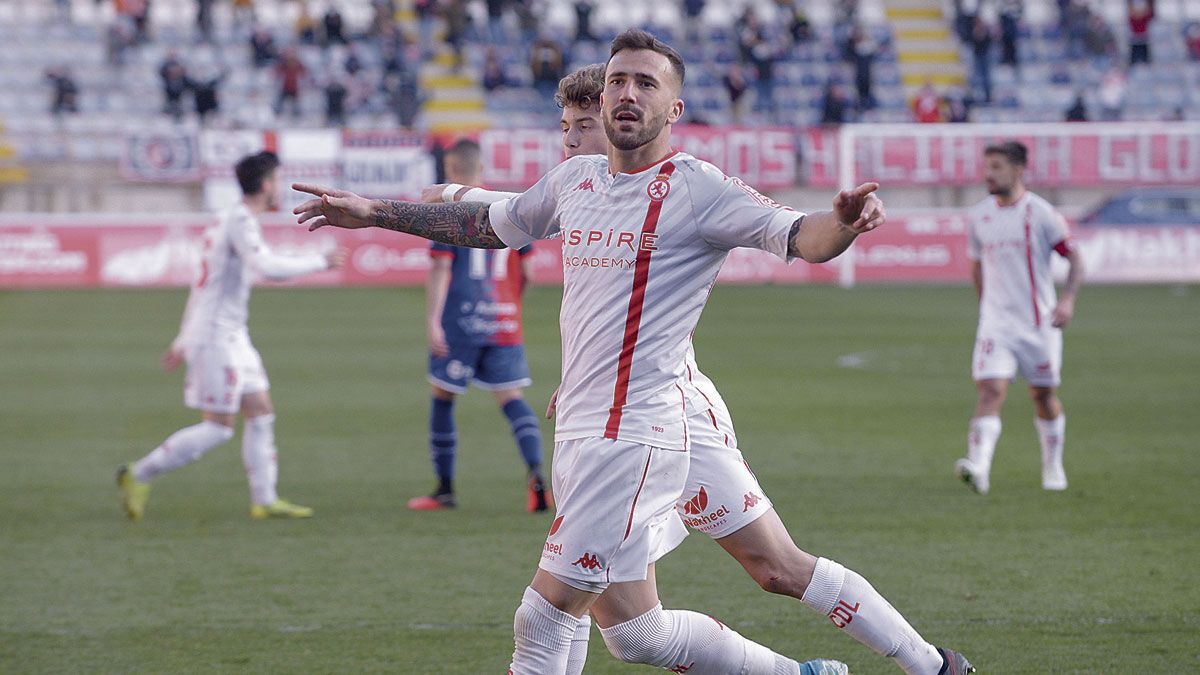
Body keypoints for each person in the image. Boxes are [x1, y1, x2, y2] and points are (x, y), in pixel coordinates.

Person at [294, 30, 973, 675]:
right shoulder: (576, 182)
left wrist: (844, 224)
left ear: (673, 107)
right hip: (593, 422)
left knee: (545, 615)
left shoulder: (698, 188)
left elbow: (796, 233)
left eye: (644, 82)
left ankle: (924, 661)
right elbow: (490, 222)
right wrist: (377, 211)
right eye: (617, 78)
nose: (625, 92)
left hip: (639, 432)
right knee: (655, 622)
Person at [117, 152, 345, 522]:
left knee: (260, 411)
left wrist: (180, 339)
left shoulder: (231, 219)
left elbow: (202, 285)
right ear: (267, 184)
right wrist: (321, 261)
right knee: (218, 429)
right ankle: (138, 474)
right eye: (277, 179)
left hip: (231, 334)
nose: (279, 188)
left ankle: (265, 499)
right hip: (215, 337)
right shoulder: (238, 220)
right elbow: (266, 267)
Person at [407, 138, 550, 513]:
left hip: (461, 324)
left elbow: (440, 268)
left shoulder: (449, 214)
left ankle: (445, 489)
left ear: (451, 171)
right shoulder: (509, 208)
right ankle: (536, 476)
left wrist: (433, 323)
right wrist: (508, 305)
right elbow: (530, 273)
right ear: (481, 170)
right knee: (512, 400)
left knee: (443, 397)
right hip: (504, 322)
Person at [955, 141, 1084, 496]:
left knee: (1042, 395)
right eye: (987, 166)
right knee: (991, 390)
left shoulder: (1040, 214)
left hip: (1038, 324)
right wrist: (987, 310)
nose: (988, 174)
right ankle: (978, 466)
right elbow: (977, 266)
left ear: (1017, 170)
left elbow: (1074, 259)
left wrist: (1067, 300)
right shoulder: (979, 216)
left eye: (996, 166)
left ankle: (1052, 464)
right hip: (997, 325)